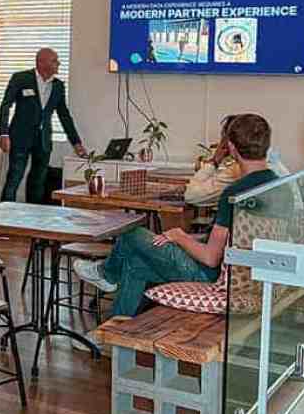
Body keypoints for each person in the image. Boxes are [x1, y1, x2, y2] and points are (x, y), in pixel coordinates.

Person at [74, 114, 279, 318]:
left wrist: (179, 236)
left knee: (131, 233)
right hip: (256, 280)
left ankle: (106, 275)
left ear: (232, 148)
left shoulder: (235, 194)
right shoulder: (280, 186)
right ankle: (114, 334)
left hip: (211, 278)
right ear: (266, 145)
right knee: (134, 264)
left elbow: (210, 258)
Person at [0, 48, 88, 204]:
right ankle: (2, 218)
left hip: (44, 140)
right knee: (14, 178)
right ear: (41, 62)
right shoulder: (21, 78)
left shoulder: (58, 85)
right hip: (20, 138)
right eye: (54, 61)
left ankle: (33, 218)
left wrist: (76, 143)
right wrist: (4, 134)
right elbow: (5, 106)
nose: (58, 64)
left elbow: (64, 116)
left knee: (38, 182)